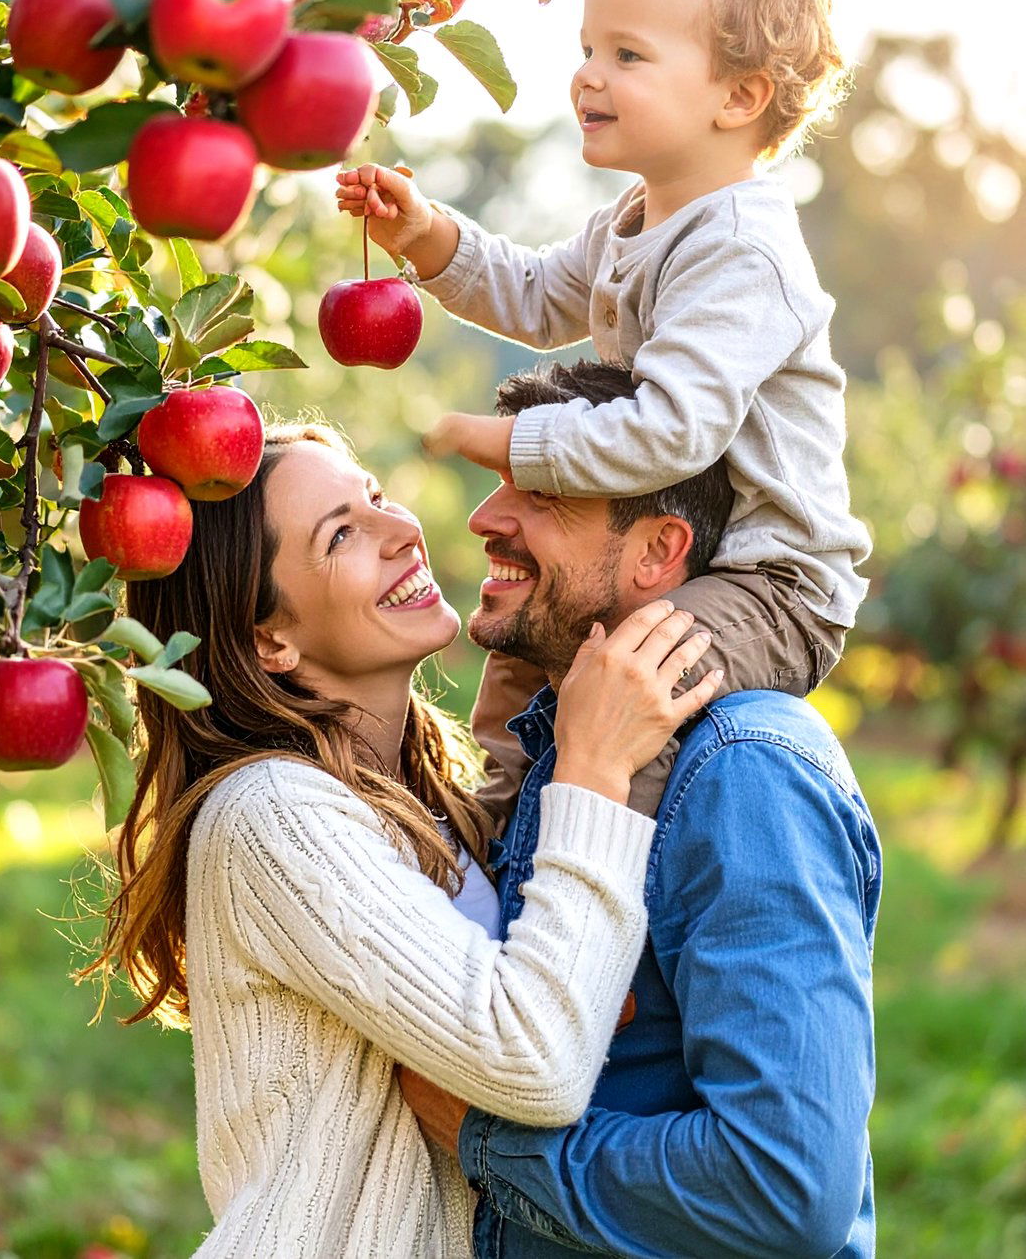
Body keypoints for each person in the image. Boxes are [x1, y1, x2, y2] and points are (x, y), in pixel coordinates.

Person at [84, 420, 723, 1258]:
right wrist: (595, 770)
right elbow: (535, 1058)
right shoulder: (271, 817)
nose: (402, 531)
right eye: (342, 534)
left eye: (377, 498)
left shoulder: (419, 804)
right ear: (268, 638)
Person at [335, 0, 872, 810]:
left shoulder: (744, 250)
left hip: (769, 580)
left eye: (627, 55)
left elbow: (669, 432)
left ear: (738, 97)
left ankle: (608, 890)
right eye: (588, 49)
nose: (588, 75)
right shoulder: (636, 216)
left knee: (628, 695)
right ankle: (488, 857)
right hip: (669, 554)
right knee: (521, 664)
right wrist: (426, 239)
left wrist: (511, 443)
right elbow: (542, 296)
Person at [398, 359, 882, 1258]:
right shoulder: (559, 747)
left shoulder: (742, 773)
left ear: (660, 552)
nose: (482, 519)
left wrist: (488, 1141)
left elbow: (786, 1190)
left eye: (544, 495)